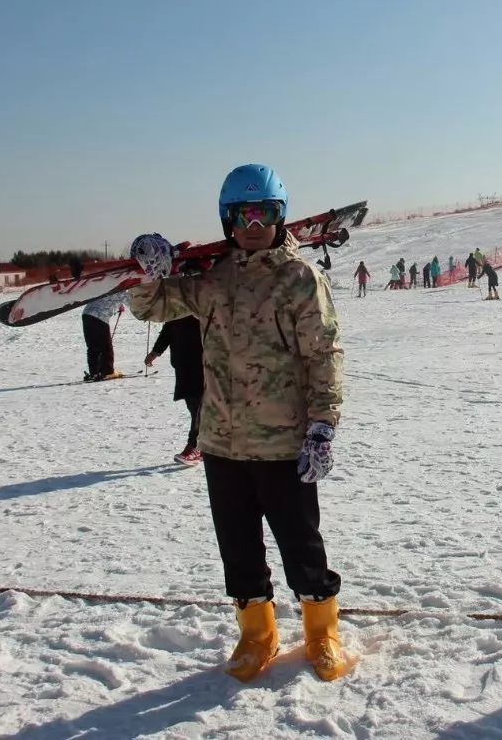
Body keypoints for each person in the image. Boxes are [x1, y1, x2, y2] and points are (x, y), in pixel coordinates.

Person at [127, 163, 347, 683]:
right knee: (238, 546)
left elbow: (324, 354)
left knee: (301, 542)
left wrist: (323, 424)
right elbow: (152, 306)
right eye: (244, 213)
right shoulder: (212, 279)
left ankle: (322, 630)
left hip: (282, 442)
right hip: (222, 442)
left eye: (265, 212)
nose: (254, 224)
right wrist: (148, 271)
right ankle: (257, 632)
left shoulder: (299, 279)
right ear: (229, 219)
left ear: (280, 216)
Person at [145, 316, 204, 466]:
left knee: (200, 406)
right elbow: (168, 329)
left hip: (204, 363)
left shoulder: (203, 299)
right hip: (183, 363)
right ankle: (205, 447)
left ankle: (195, 446)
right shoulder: (177, 305)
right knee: (194, 406)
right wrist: (156, 352)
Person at [81, 292, 126, 381]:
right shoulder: (123, 290)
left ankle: (94, 372)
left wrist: (119, 305)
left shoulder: (108, 285)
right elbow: (133, 303)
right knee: (106, 346)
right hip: (100, 317)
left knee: (93, 346)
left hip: (86, 314)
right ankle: (108, 372)